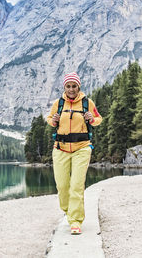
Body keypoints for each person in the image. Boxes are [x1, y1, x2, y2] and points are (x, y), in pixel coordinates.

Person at [46, 72, 102, 235]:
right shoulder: (58, 103)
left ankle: (75, 221)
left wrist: (92, 118)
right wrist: (53, 120)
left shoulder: (87, 102)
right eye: (68, 86)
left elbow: (99, 119)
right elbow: (49, 119)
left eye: (74, 86)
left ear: (79, 87)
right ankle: (69, 210)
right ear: (64, 87)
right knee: (62, 186)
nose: (71, 89)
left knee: (77, 185)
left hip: (82, 148)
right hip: (60, 149)